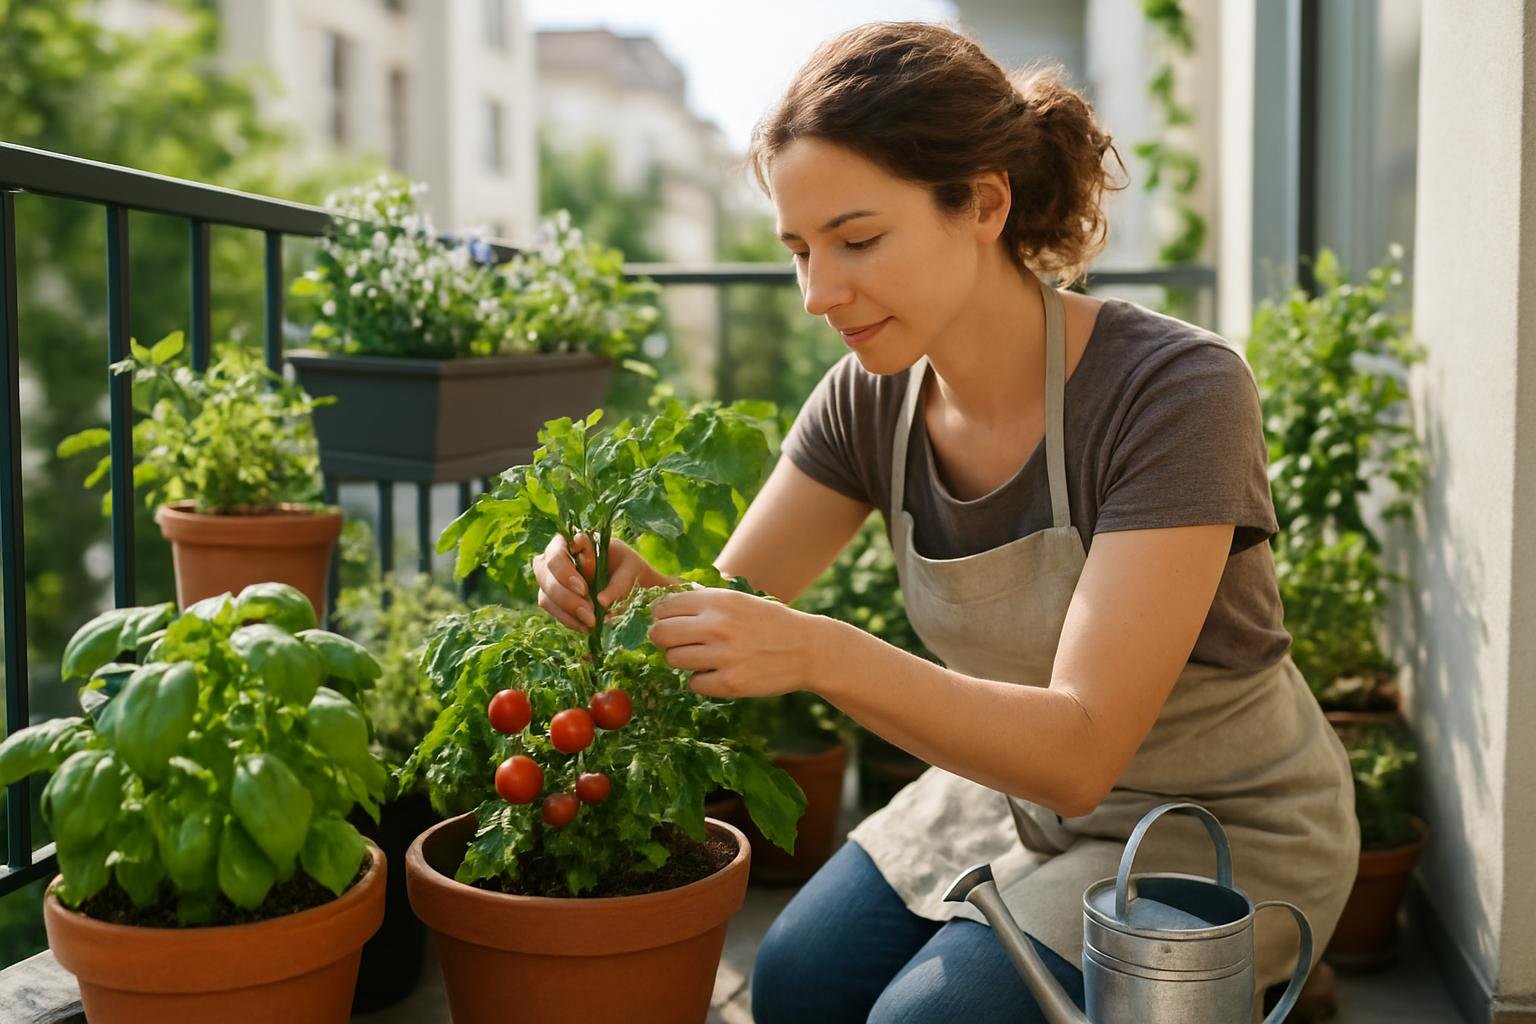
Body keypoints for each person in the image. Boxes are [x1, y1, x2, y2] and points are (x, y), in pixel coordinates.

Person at [533, 20, 1357, 1024]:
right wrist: (629, 593)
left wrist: (822, 655)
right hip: (1008, 792)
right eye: (799, 249)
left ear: (984, 201)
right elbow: (729, 609)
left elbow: (1081, 749)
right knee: (795, 983)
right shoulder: (865, 403)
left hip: (1217, 817)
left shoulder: (1174, 393)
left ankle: (1243, 972)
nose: (816, 293)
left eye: (858, 239)